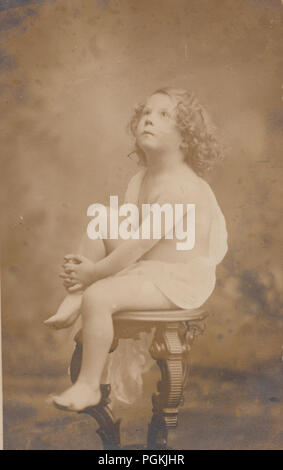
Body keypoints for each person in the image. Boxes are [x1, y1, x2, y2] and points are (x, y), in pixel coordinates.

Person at [45, 87, 228, 411]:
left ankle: (89, 386)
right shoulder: (141, 179)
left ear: (186, 138)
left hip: (177, 278)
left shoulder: (182, 185)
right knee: (102, 221)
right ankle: (75, 294)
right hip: (149, 264)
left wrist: (95, 273)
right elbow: (131, 235)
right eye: (145, 113)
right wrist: (94, 268)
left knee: (99, 295)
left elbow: (136, 247)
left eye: (163, 115)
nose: (148, 120)